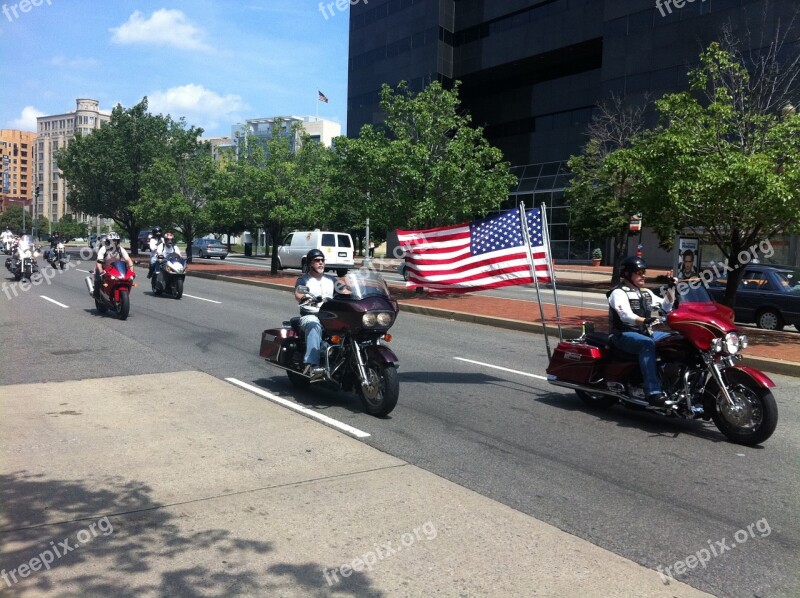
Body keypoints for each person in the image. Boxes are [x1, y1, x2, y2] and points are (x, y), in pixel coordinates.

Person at [607, 256, 676, 407]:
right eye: (639, 272)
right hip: (622, 334)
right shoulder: (618, 293)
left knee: (675, 339)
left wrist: (671, 288)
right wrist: (644, 320)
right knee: (647, 344)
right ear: (626, 274)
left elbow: (665, 307)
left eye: (643, 272)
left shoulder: (645, 293)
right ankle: (653, 392)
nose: (643, 275)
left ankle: (673, 383)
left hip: (644, 332)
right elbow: (625, 315)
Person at [294, 248, 337, 379]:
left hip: (330, 316)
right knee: (314, 325)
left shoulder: (331, 280)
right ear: (310, 263)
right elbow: (298, 293)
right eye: (316, 260)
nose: (320, 263)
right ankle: (312, 365)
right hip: (310, 315)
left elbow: (346, 291)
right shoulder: (304, 280)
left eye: (322, 260)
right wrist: (303, 297)